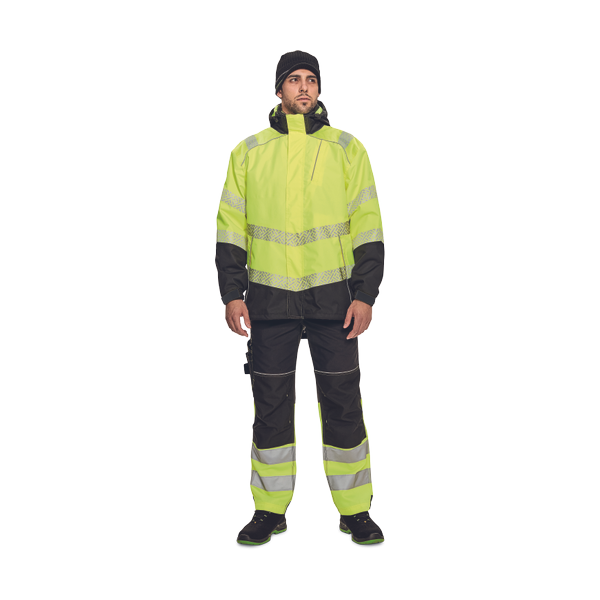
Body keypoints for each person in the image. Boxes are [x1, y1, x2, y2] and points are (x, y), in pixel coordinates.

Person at [215, 50, 385, 545]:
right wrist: (232, 293)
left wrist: (365, 294)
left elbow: (368, 224)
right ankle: (269, 509)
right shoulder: (248, 153)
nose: (304, 87)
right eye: (294, 80)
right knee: (270, 407)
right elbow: (231, 227)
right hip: (269, 302)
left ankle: (355, 509)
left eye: (311, 79)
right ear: (279, 90)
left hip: (335, 301)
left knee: (343, 404)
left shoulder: (347, 149)